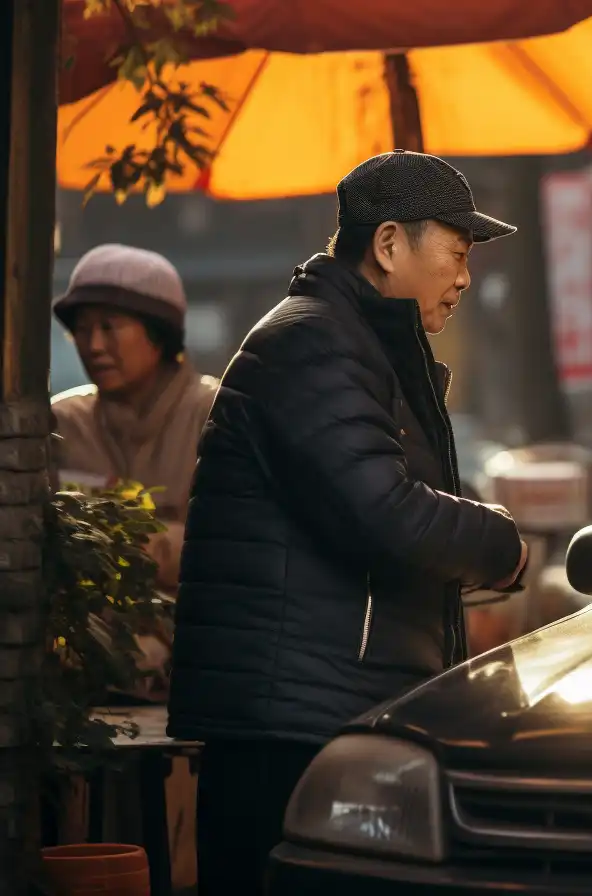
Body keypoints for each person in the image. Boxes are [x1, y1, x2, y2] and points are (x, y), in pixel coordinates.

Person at [167, 150, 528, 894]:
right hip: (288, 724)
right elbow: (386, 513)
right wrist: (502, 542)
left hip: (316, 708)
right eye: (456, 254)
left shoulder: (357, 344)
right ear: (390, 244)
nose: (464, 278)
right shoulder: (314, 342)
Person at [51, 243, 219, 602]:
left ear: (158, 335)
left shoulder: (214, 415)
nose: (93, 345)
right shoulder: (61, 423)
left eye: (110, 327)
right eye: (82, 329)